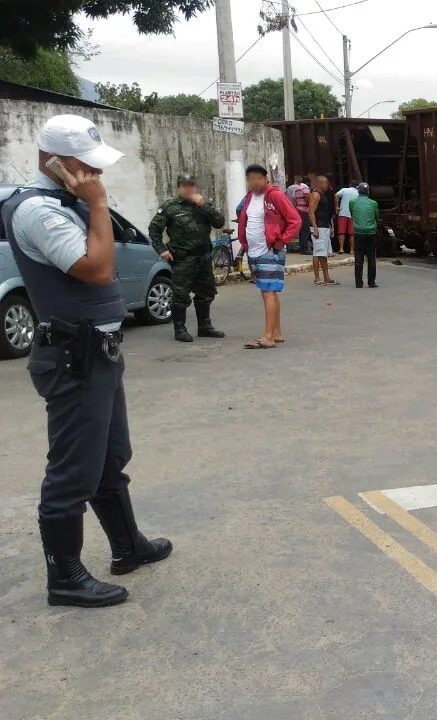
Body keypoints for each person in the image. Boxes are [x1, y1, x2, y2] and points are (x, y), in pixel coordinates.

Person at [0, 115, 172, 607]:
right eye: (86, 166)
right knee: (73, 469)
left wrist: (90, 202)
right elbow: (97, 269)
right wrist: (98, 204)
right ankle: (65, 578)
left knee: (110, 456)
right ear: (53, 161)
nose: (96, 176)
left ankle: (127, 546)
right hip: (73, 357)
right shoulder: (38, 211)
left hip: (97, 351)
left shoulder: (66, 203)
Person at [148, 173, 226, 343]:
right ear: (178, 188)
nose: (189, 189)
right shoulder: (170, 207)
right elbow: (154, 230)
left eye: (191, 185)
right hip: (184, 260)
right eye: (185, 186)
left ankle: (205, 326)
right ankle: (180, 329)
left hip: (204, 257)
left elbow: (219, 222)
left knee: (206, 293)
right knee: (180, 295)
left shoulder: (203, 205)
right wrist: (161, 250)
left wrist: (204, 206)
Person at [237, 164, 301, 349]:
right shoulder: (249, 197)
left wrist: (282, 241)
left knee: (268, 292)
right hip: (254, 250)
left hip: (270, 250)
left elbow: (295, 220)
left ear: (265, 179)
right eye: (250, 179)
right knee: (268, 291)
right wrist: (245, 242)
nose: (254, 182)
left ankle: (268, 337)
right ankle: (276, 332)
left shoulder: (275, 196)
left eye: (258, 178)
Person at [349, 182, 380, 288]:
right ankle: (371, 282)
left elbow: (352, 214)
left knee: (358, 258)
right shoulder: (374, 203)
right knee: (371, 258)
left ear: (358, 191)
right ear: (368, 192)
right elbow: (377, 217)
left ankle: (359, 283)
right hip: (371, 233)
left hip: (358, 233)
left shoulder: (352, 202)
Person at [309, 174, 337, 285]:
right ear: (319, 184)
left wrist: (329, 226)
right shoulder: (315, 194)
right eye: (325, 183)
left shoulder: (324, 195)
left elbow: (325, 212)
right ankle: (317, 277)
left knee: (323, 254)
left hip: (324, 226)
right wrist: (315, 227)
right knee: (317, 252)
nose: (327, 185)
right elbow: (311, 212)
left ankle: (327, 277)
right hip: (318, 227)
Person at [287, 176, 312, 254]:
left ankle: (302, 247)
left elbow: (294, 198)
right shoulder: (305, 188)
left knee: (301, 230)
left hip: (298, 210)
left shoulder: (297, 188)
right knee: (305, 230)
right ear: (308, 182)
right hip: (304, 211)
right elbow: (307, 198)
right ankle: (304, 248)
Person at [335, 180, 359, 254]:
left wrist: (336, 206)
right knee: (352, 233)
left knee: (341, 232)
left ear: (350, 184)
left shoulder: (344, 190)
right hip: (353, 214)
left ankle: (341, 248)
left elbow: (336, 195)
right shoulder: (358, 192)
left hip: (343, 213)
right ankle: (352, 250)